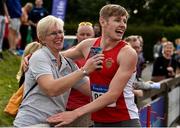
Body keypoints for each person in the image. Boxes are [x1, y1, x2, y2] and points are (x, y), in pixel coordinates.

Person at [47, 4, 140, 127]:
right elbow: (57, 57)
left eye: (124, 21)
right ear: (103, 21)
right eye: (117, 20)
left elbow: (112, 95)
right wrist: (33, 56)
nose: (122, 25)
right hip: (98, 121)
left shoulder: (127, 53)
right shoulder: (88, 45)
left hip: (124, 121)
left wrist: (75, 113)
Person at [13, 15, 104, 127]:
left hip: (54, 122)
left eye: (60, 32)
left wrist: (119, 90)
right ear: (41, 38)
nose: (59, 36)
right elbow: (51, 89)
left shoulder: (68, 63)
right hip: (31, 123)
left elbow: (93, 90)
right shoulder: (39, 57)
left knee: (94, 115)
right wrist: (84, 70)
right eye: (53, 33)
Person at [66, 21, 95, 127]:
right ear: (76, 35)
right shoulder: (69, 54)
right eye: (82, 34)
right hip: (73, 108)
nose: (85, 37)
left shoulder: (99, 54)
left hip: (94, 107)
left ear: (93, 36)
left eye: (88, 34)